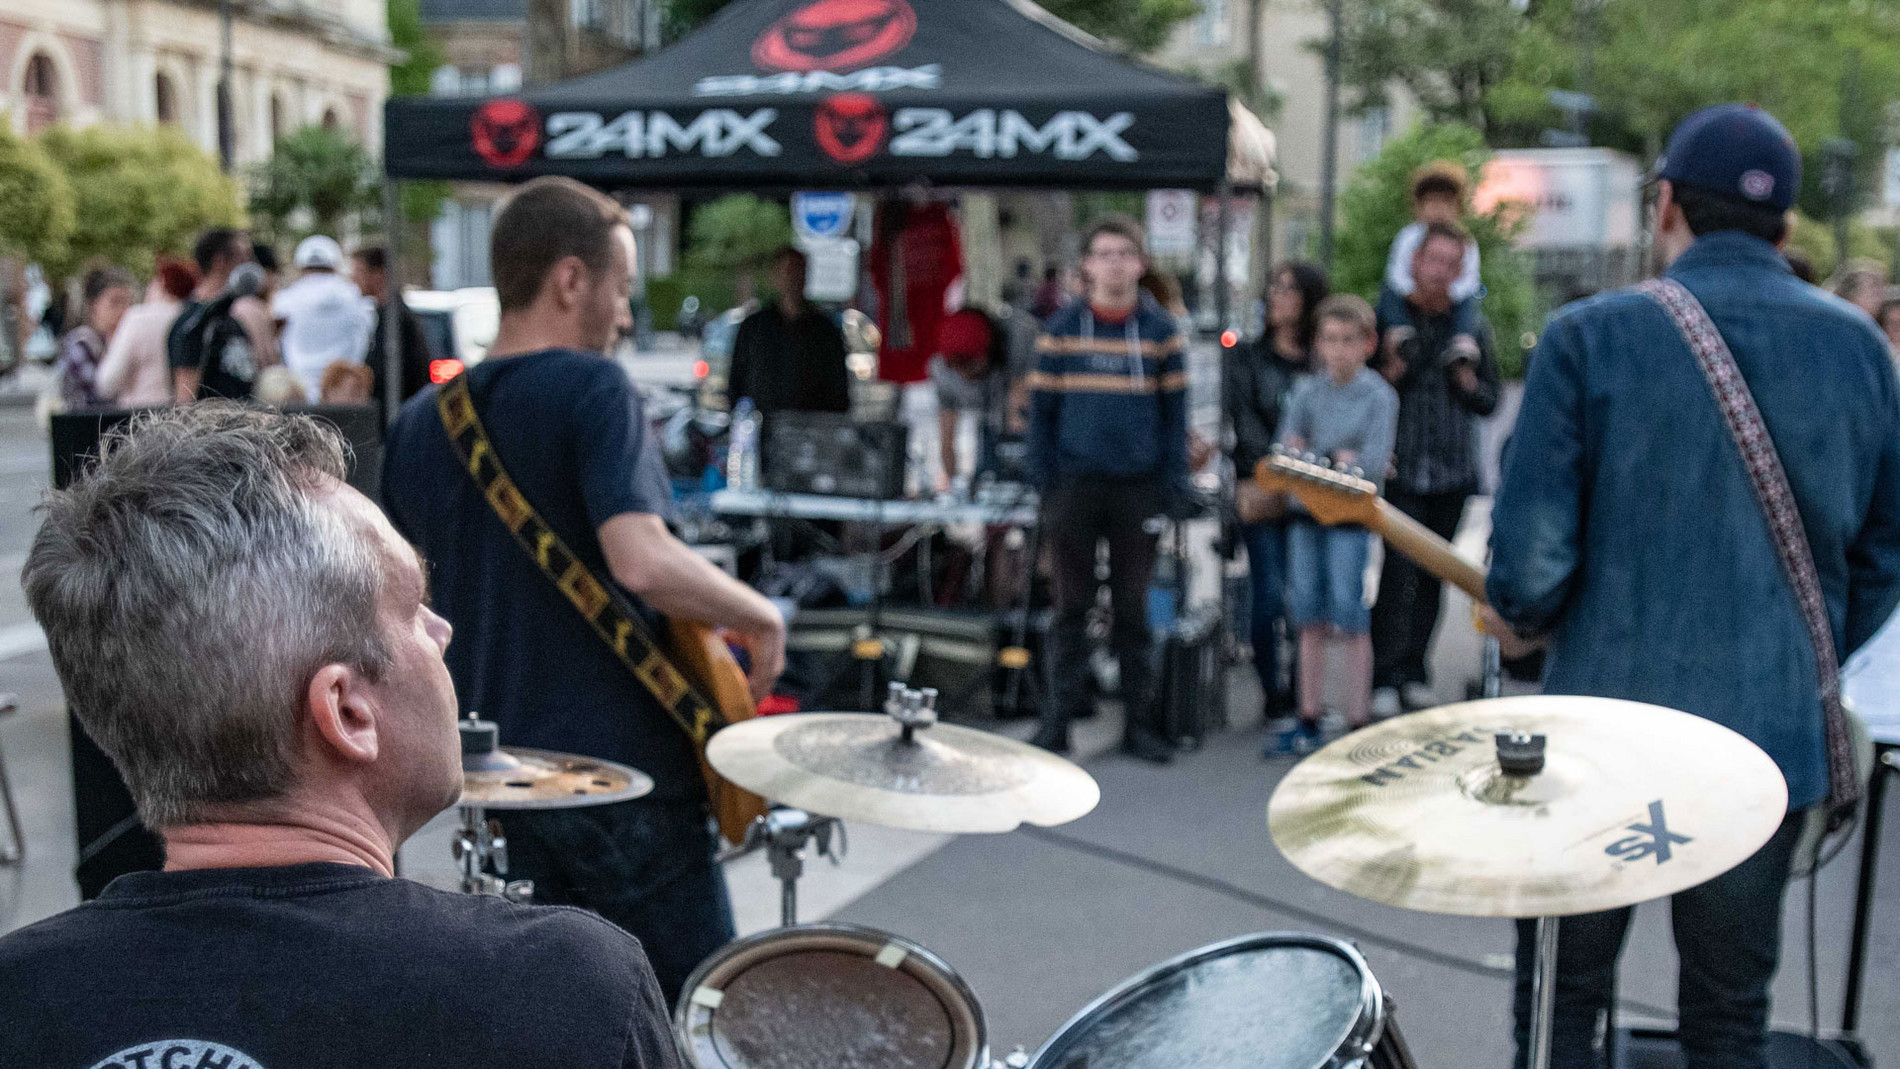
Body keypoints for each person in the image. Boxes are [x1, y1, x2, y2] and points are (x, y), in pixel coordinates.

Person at [6, 404, 680, 1068]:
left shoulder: (19, 1000)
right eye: (413, 606)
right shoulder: (569, 994)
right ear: (348, 711)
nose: (441, 632)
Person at [1485, 104, 1900, 1069]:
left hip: (1600, 740)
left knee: (1563, 1004)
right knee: (1727, 1015)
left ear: (1665, 203)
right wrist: (1808, 653)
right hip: (1765, 742)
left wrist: (1529, 621)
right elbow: (1885, 552)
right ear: (1787, 228)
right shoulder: (1859, 350)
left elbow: (1528, 569)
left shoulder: (1589, 335)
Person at [382, 177, 787, 1004]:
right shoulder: (594, 388)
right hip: (624, 771)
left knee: (562, 1015)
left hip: (498, 772)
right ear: (571, 280)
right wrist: (758, 612)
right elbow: (639, 558)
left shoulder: (421, 419)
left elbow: (399, 599)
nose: (627, 314)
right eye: (622, 287)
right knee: (700, 1009)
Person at [1027, 216, 1187, 763]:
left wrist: (1172, 486)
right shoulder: (1062, 329)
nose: (1115, 264)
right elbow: (1041, 413)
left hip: (1138, 490)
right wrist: (1044, 481)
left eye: (1125, 253)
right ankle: (1056, 724)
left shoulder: (1162, 332)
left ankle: (1140, 726)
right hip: (1073, 486)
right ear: (1087, 266)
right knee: (1070, 608)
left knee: (1133, 610)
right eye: (1104, 254)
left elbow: (1175, 417)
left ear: (1140, 264)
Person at [1369, 221, 1501, 717]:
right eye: (1433, 260)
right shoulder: (1389, 320)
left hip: (1451, 470)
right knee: (1395, 573)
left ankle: (1415, 671)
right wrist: (1392, 368)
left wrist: (1466, 379)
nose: (1439, 272)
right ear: (1415, 262)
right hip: (1400, 469)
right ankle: (1384, 675)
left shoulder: (1471, 329)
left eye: (1451, 263)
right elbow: (1365, 390)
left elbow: (1489, 400)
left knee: (1432, 577)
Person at [1273, 295, 1397, 754]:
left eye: (1348, 340)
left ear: (1367, 344)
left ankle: (1356, 718)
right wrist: (1329, 461)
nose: (1339, 350)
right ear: (1318, 344)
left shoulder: (1380, 396)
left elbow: (1370, 468)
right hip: (1305, 515)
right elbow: (1285, 455)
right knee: (1306, 614)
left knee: (1349, 614)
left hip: (1348, 520)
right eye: (1330, 340)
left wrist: (1318, 458)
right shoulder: (1306, 391)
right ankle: (1308, 713)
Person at [1226, 261, 1326, 731]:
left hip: (1316, 495)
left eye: (1289, 288)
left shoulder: (1321, 361)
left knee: (1307, 595)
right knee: (1268, 593)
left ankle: (1306, 691)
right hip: (1265, 487)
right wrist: (1282, 466)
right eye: (1274, 286)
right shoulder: (1247, 357)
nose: (1278, 295)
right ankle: (1274, 692)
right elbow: (1243, 427)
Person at [725, 246, 851, 416]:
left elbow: (838, 384)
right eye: (786, 271)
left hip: (812, 425)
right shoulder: (755, 327)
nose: (791, 278)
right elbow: (737, 379)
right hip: (763, 425)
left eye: (797, 271)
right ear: (775, 277)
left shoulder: (825, 330)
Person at [1378, 162, 1484, 352]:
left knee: (1471, 301)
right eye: (1433, 203)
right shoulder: (1408, 236)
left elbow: (1469, 281)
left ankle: (1462, 339)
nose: (1439, 210)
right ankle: (1400, 330)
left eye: (1446, 203)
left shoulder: (1466, 241)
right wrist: (1413, 293)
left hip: (1449, 301)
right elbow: (1396, 274)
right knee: (1387, 293)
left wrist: (1448, 295)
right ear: (1419, 207)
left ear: (1457, 208)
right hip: (1411, 298)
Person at [168, 227, 275, 401]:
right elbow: (184, 399)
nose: (251, 265)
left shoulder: (233, 316)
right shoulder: (193, 322)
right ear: (219, 262)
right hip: (215, 425)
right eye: (244, 257)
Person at [273, 235, 374, 404]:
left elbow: (277, 339)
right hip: (344, 389)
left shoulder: (286, 298)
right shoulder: (353, 295)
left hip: (298, 388)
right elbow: (366, 334)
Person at [98, 257, 196, 407]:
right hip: (180, 415)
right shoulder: (193, 317)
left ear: (162, 283)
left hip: (141, 415)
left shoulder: (139, 318)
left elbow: (107, 382)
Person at [352, 244, 437, 417]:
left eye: (359, 272)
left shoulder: (397, 321)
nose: (353, 279)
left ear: (378, 275)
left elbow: (411, 375)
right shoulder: (384, 316)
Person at [54, 266, 136, 410]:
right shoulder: (81, 343)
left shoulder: (123, 338)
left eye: (127, 303)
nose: (123, 310)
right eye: (115, 302)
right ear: (94, 305)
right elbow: (103, 390)